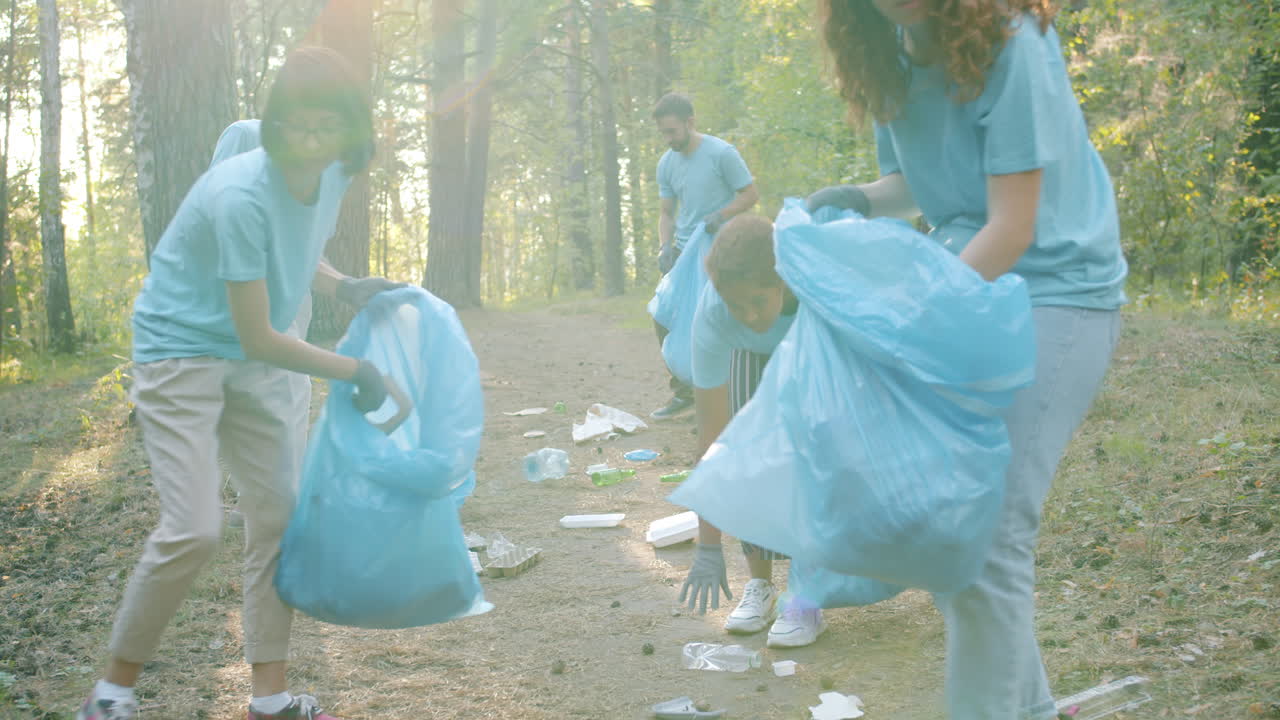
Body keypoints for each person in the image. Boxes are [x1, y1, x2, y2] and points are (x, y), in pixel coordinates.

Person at [809, 1, 1128, 718]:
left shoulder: (1013, 41)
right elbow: (917, 186)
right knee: (961, 530)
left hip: (1059, 289)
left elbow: (1012, 226)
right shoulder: (888, 50)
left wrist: (910, 320)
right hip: (965, 281)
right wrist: (856, 197)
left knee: (986, 534)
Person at [77, 47, 407, 720]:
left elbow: (293, 248)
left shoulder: (339, 167)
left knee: (279, 514)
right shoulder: (238, 191)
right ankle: (111, 695)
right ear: (275, 122)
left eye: (327, 127)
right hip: (182, 351)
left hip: (255, 356)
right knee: (195, 529)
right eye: (296, 125)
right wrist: (357, 370)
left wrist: (345, 285)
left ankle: (271, 698)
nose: (309, 142)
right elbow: (258, 332)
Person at [677, 214, 827, 648]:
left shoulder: (814, 289)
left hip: (814, 348)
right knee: (748, 452)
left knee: (807, 456)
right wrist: (708, 547)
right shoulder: (713, 317)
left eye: (757, 302)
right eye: (734, 305)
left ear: (781, 282)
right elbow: (713, 441)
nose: (747, 315)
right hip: (749, 355)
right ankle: (760, 583)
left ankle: (806, 593)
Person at [651, 93, 759, 421]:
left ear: (690, 122)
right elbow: (666, 213)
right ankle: (684, 391)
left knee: (717, 317)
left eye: (672, 131)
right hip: (686, 249)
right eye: (663, 133)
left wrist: (722, 214)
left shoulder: (721, 154)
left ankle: (730, 395)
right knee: (663, 315)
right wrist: (664, 246)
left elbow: (751, 195)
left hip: (724, 246)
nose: (668, 139)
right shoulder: (667, 164)